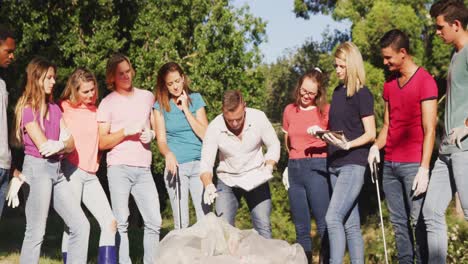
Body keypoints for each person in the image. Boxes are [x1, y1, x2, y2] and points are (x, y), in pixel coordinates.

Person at [368, 29, 437, 263]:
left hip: (413, 166)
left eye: (388, 58)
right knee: (398, 224)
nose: (385, 62)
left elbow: (430, 128)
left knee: (418, 222)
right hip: (390, 167)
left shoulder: (425, 81)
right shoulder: (389, 84)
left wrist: (424, 168)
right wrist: (376, 147)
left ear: (403, 53)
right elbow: (387, 125)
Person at [12, 57, 89, 264]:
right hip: (37, 171)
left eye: (54, 77)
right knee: (36, 232)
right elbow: (43, 146)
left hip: (57, 172)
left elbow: (71, 143)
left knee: (81, 225)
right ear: (36, 79)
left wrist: (61, 145)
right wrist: (61, 143)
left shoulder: (55, 108)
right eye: (49, 77)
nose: (54, 81)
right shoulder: (27, 109)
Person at [97, 53, 161, 264]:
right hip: (119, 167)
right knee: (121, 222)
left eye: (128, 71)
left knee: (154, 221)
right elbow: (102, 142)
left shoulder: (147, 97)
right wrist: (124, 131)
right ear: (112, 77)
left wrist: (151, 134)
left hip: (143, 168)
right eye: (120, 73)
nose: (126, 76)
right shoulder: (107, 103)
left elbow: (156, 127)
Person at [319, 42, 376, 264]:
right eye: (335, 65)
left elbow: (370, 133)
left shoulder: (363, 94)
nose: (337, 70)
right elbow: (341, 127)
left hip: (353, 163)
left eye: (341, 66)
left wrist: (348, 145)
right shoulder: (337, 92)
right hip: (333, 164)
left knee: (332, 218)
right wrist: (324, 135)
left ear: (351, 65)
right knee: (350, 224)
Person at [199, 90, 280, 239]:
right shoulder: (215, 127)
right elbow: (206, 162)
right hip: (228, 180)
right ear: (223, 111)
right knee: (223, 229)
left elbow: (274, 144)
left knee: (263, 225)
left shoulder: (258, 117)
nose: (235, 124)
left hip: (256, 176)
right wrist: (208, 185)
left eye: (238, 118)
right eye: (230, 120)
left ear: (244, 107)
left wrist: (269, 164)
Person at [423, 1, 468, 263]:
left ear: (456, 25)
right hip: (447, 150)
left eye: (440, 27)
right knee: (431, 212)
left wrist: (465, 126)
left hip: (465, 147)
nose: (438, 32)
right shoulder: (455, 55)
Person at [60, 68, 117, 263]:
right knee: (73, 225)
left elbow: (101, 140)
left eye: (93, 90)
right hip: (71, 171)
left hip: (91, 175)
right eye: (85, 91)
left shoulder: (98, 110)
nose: (91, 94)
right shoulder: (63, 108)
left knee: (110, 223)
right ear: (74, 91)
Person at [282, 68, 330, 263]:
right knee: (301, 228)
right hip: (295, 168)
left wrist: (323, 134)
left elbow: (335, 139)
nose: (306, 96)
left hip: (317, 167)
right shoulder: (289, 110)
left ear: (318, 93)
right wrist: (290, 161)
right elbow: (287, 139)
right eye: (303, 91)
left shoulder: (325, 110)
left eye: (311, 93)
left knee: (323, 225)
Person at [153, 62, 209, 229]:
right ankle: (183, 255)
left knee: (205, 220)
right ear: (165, 85)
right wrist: (168, 154)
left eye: (177, 81)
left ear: (183, 79)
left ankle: (208, 255)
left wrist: (185, 109)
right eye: (170, 84)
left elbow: (205, 134)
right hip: (176, 167)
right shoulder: (160, 106)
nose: (175, 87)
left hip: (200, 166)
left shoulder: (196, 99)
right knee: (182, 223)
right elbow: (161, 140)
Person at [0, 24, 16, 218]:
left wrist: (12, 167)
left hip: (4, 165)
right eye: (8, 51)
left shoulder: (2, 84)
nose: (12, 56)